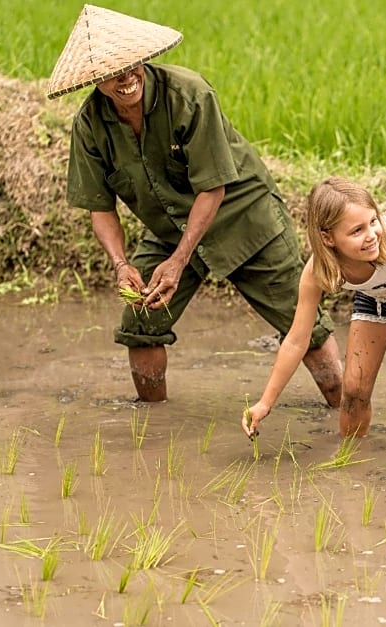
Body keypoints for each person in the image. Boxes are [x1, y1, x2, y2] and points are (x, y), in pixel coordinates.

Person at [46, 5, 342, 405]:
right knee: (140, 323)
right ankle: (152, 423)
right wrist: (121, 265)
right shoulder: (90, 125)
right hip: (171, 228)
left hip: (243, 216)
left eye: (132, 65)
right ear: (94, 81)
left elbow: (214, 188)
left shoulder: (188, 95)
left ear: (143, 59)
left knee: (303, 325)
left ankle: (345, 414)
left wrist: (180, 260)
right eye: (111, 74)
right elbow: (100, 207)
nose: (126, 78)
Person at [242, 177, 386, 448]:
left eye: (373, 221)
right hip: (376, 296)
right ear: (328, 238)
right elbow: (296, 339)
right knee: (353, 390)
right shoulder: (318, 271)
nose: (371, 235)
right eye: (356, 231)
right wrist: (264, 403)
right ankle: (351, 458)